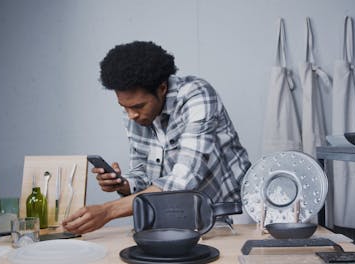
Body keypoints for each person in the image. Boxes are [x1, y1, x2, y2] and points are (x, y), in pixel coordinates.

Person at [63, 41, 251, 235]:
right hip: (182, 219)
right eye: (124, 107)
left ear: (162, 88)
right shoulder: (133, 115)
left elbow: (183, 181)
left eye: (138, 106)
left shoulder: (197, 95)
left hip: (231, 215)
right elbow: (143, 177)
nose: (131, 115)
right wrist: (124, 184)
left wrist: (108, 211)